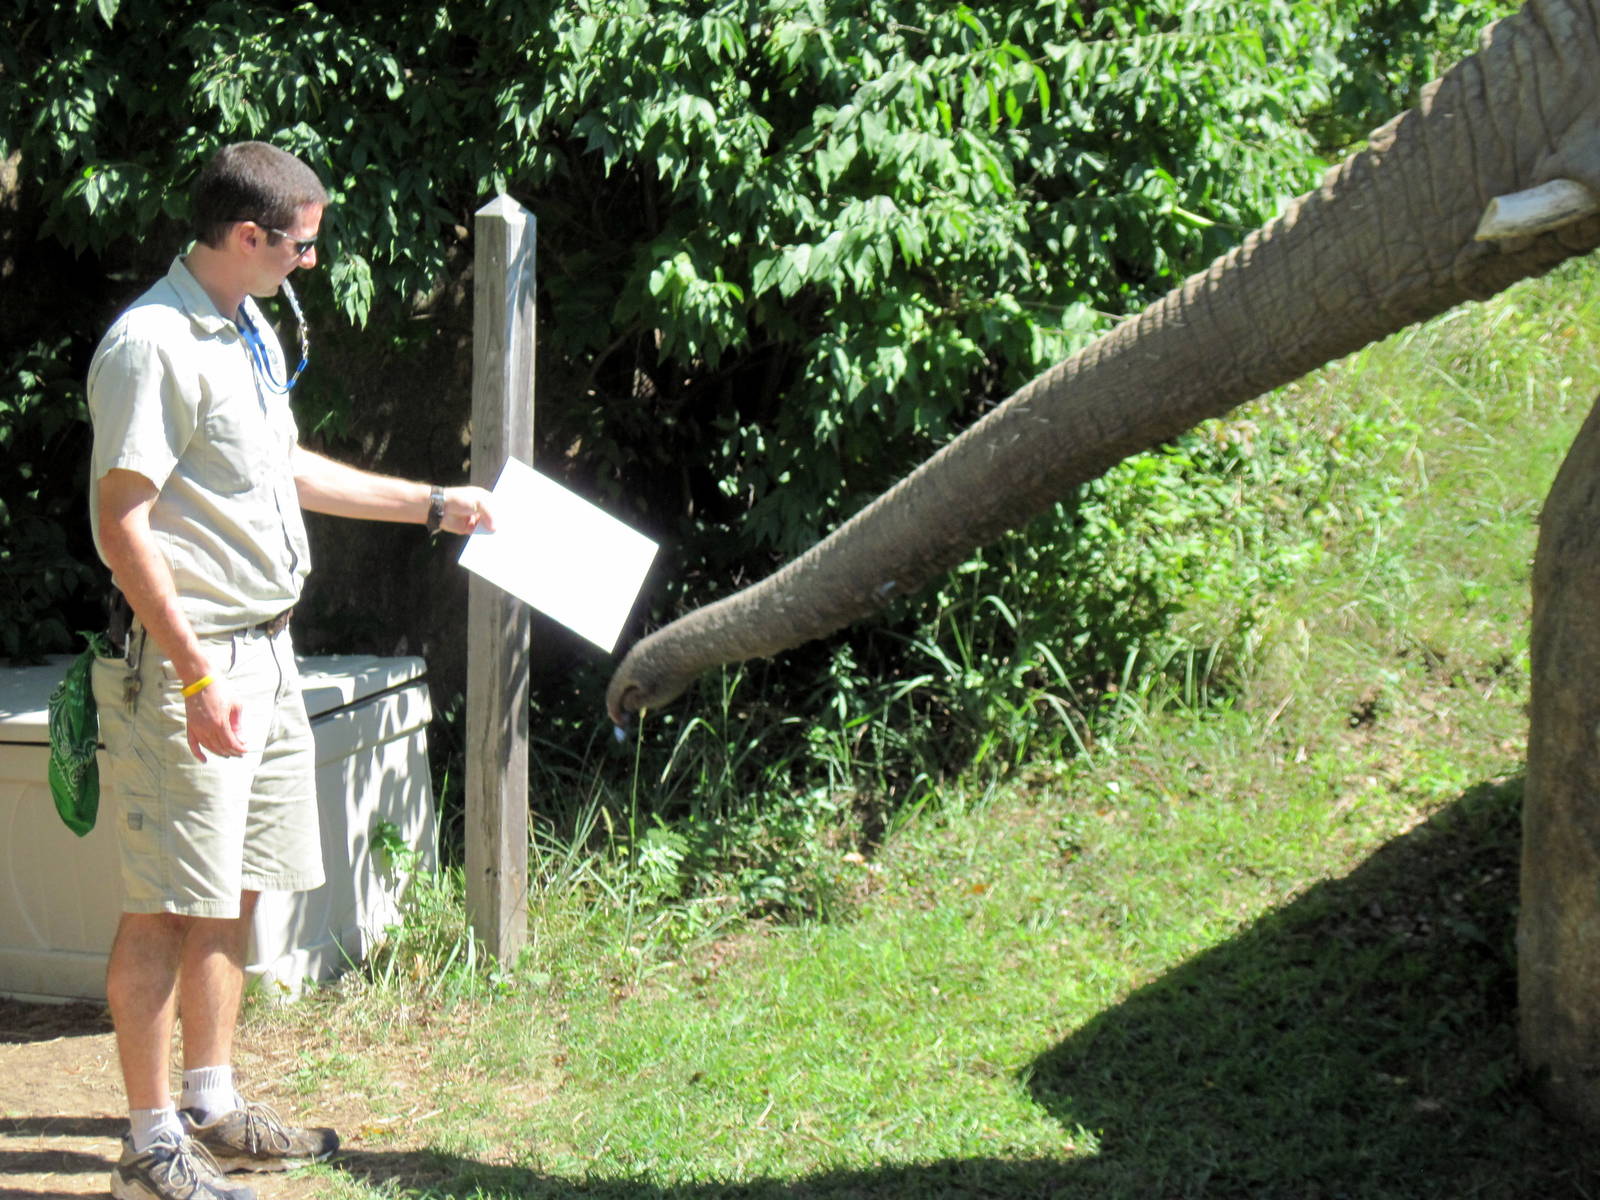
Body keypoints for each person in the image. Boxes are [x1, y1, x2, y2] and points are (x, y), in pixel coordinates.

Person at [85, 141, 495, 1200]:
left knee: (235, 887)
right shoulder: (151, 346)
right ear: (247, 236)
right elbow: (121, 525)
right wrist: (189, 675)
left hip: (266, 653)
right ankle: (148, 1140)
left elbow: (284, 470)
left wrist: (433, 504)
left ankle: (213, 1110)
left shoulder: (247, 325)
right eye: (300, 244)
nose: (310, 263)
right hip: (198, 663)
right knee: (166, 903)